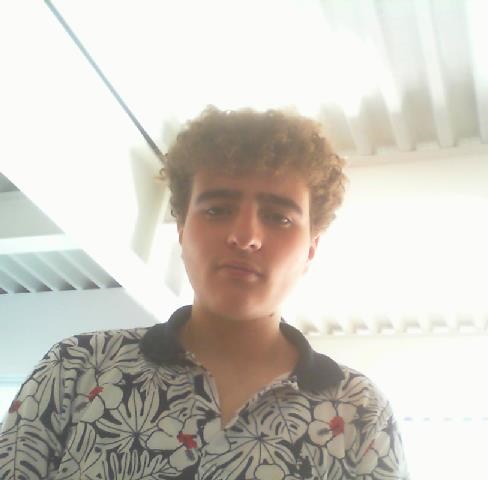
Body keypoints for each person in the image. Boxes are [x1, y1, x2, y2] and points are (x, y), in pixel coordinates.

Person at [0, 107, 409, 479]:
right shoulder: (76, 368)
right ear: (182, 230)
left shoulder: (360, 412)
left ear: (311, 250)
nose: (245, 236)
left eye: (279, 217)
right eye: (217, 210)